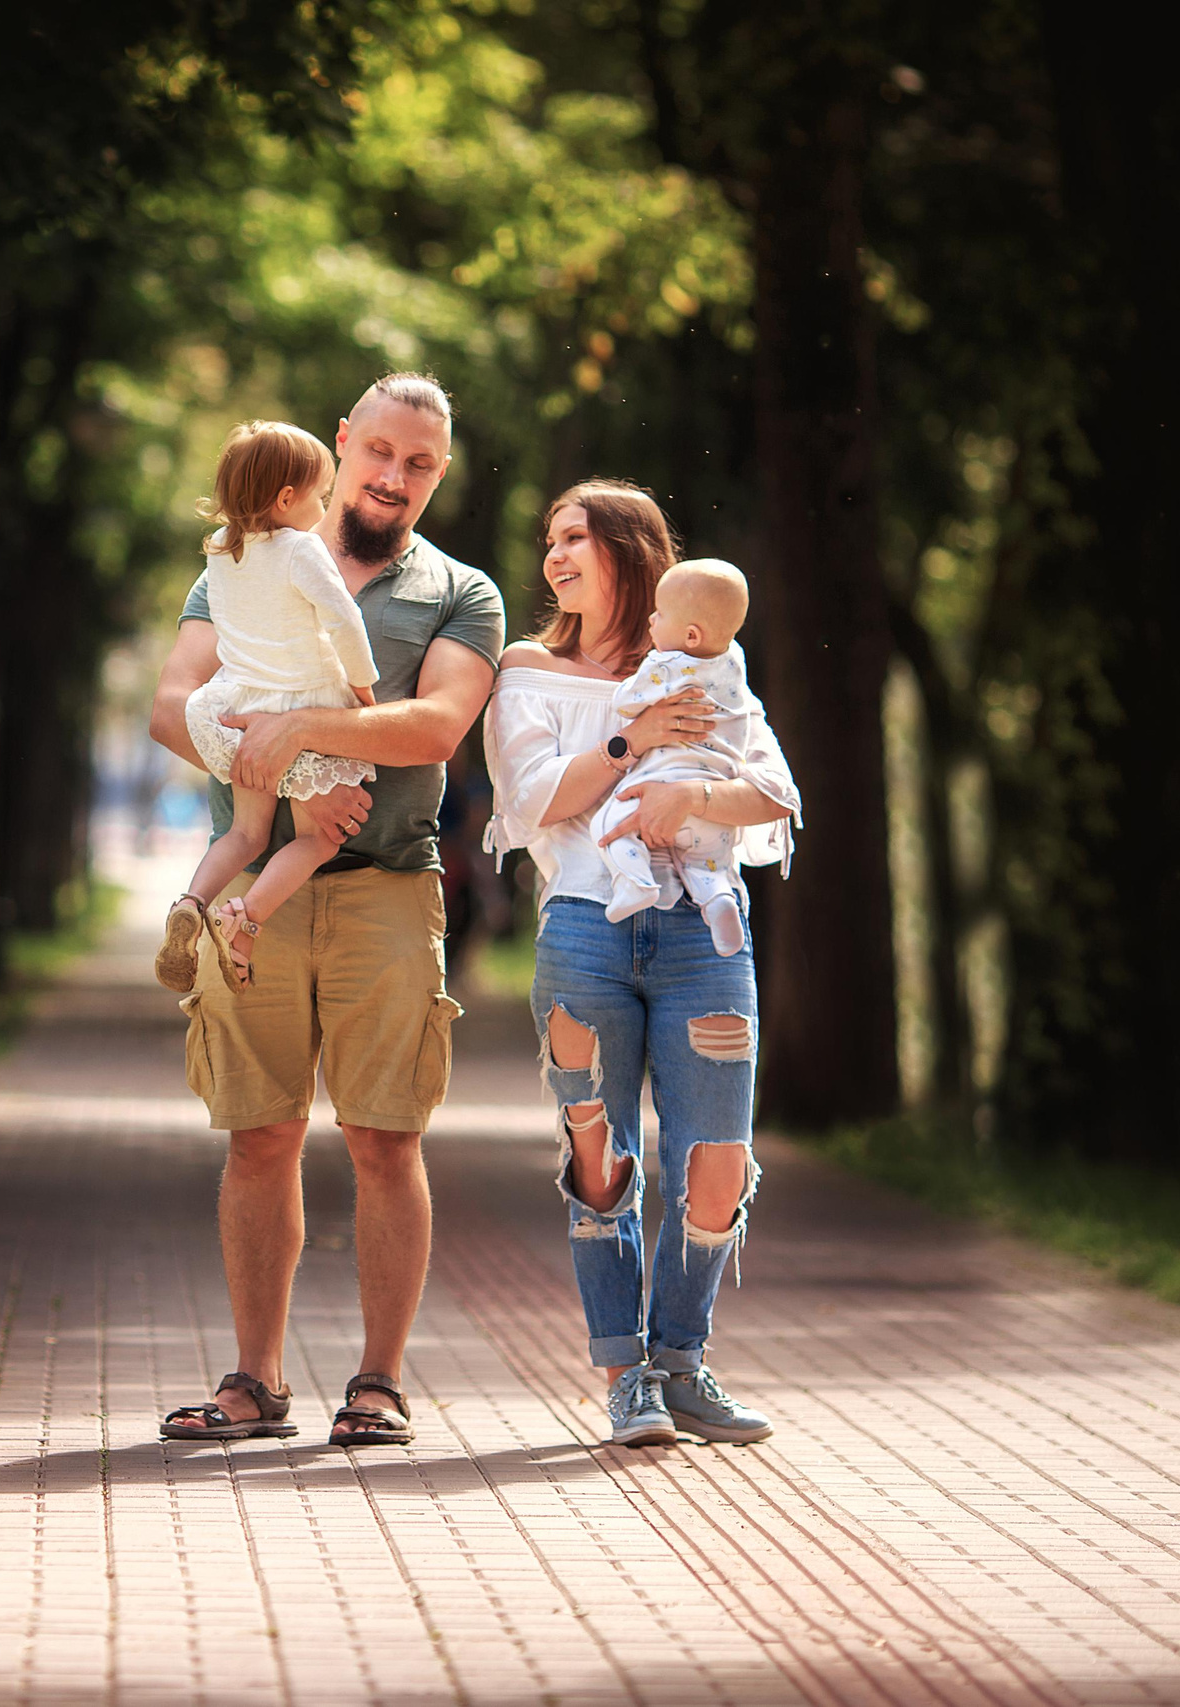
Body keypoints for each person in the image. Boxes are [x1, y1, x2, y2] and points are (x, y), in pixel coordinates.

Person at [148, 372, 503, 1447]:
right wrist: (272, 749)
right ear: (343, 443)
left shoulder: (459, 592)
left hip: (388, 888)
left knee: (384, 1141)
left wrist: (299, 731)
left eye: (422, 464)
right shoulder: (240, 559)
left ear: (439, 474)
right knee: (258, 1139)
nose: (395, 478)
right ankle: (253, 1383)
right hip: (265, 894)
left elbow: (436, 727)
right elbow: (173, 705)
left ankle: (378, 1384)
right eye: (382, 452)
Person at [481, 481, 799, 1448]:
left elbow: (775, 792)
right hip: (587, 926)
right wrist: (634, 742)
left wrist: (690, 790)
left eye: (576, 536)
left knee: (716, 1161)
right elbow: (535, 801)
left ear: (631, 550)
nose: (555, 556)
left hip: (707, 938)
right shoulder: (527, 670)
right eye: (549, 540)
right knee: (604, 1157)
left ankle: (681, 1361)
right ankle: (627, 1376)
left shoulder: (704, 668)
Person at [155, 421, 379, 995]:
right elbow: (343, 622)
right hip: (303, 701)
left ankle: (191, 901)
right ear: (287, 500)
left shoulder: (222, 552)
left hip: (239, 702)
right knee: (318, 838)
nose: (324, 506)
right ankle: (244, 921)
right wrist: (364, 690)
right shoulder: (302, 549)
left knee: (245, 833)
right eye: (319, 495)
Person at [590, 558, 767, 956]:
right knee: (706, 863)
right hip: (716, 801)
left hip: (661, 785)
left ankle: (635, 881)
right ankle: (718, 898)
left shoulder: (667, 666)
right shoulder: (734, 663)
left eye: (660, 612)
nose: (651, 618)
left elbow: (626, 702)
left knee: (609, 823)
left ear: (689, 635)